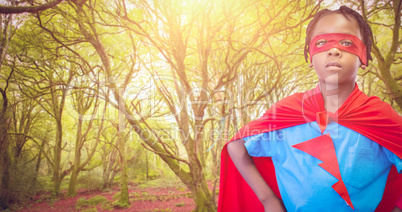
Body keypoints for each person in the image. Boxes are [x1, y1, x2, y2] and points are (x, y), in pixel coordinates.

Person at [218, 6, 402, 212]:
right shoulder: (287, 110)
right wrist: (268, 200)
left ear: (364, 55)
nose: (334, 50)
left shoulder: (380, 116)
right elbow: (237, 144)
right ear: (309, 55)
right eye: (322, 43)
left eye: (347, 43)